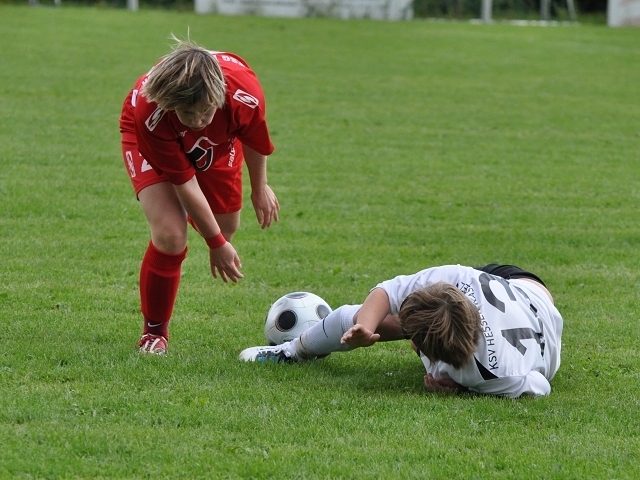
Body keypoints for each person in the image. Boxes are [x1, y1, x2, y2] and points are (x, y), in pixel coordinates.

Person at [119, 36, 280, 354]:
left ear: (219, 95)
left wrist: (259, 188)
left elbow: (253, 136)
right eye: (187, 113)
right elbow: (184, 182)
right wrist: (215, 243)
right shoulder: (151, 111)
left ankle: (205, 222)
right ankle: (155, 332)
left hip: (220, 141)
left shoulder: (244, 93)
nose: (196, 121)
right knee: (171, 234)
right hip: (147, 137)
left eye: (205, 112)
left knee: (227, 225)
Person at [239, 264, 563, 398]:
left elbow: (539, 386)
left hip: (536, 312)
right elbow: (387, 291)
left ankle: (292, 351)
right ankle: (292, 350)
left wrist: (464, 389)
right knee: (365, 316)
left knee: (390, 323)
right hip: (525, 287)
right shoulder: (457, 279)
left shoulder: (484, 374)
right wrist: (364, 327)